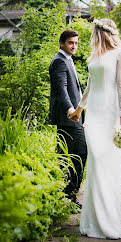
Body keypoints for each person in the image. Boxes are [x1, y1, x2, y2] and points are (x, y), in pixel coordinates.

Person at [69, 18, 121, 239]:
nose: (92, 36)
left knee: (106, 163)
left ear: (101, 32)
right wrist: (78, 110)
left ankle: (108, 221)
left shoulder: (120, 54)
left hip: (110, 113)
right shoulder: (95, 56)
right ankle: (93, 220)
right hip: (93, 115)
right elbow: (90, 86)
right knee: (95, 161)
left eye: (94, 32)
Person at [49, 29, 87, 206]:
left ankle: (66, 194)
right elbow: (62, 89)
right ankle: (68, 195)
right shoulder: (59, 61)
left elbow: (76, 91)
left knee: (71, 156)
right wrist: (71, 110)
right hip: (68, 118)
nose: (74, 46)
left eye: (76, 43)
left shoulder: (67, 60)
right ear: (62, 43)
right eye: (71, 43)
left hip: (75, 117)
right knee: (76, 155)